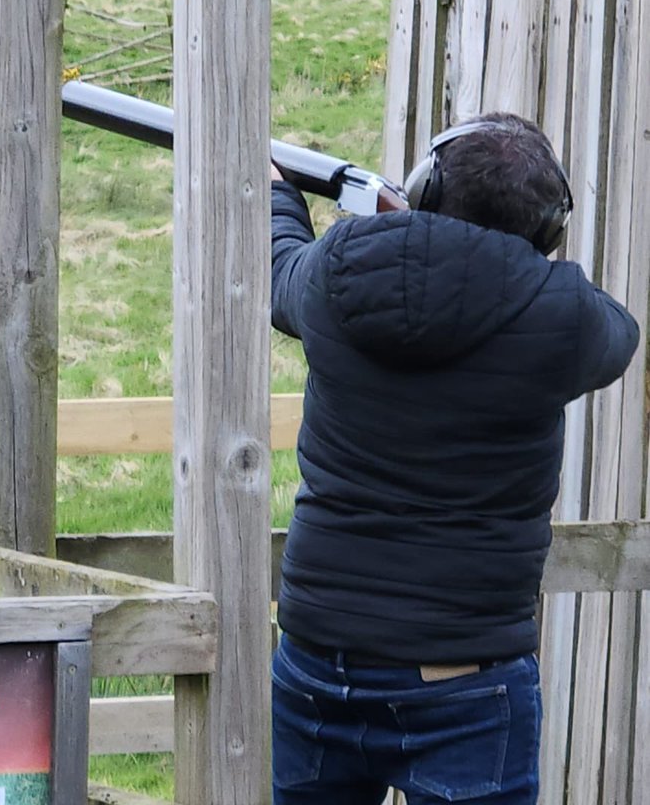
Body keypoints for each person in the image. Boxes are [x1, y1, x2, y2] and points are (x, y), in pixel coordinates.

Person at [269, 113, 639, 805]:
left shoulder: (336, 268)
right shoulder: (562, 314)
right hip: (464, 678)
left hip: (320, 661)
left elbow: (280, 265)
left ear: (423, 190)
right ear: (549, 231)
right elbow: (622, 331)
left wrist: (278, 198)